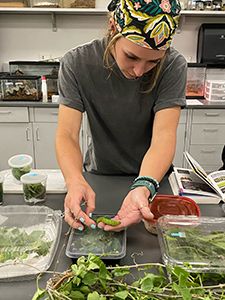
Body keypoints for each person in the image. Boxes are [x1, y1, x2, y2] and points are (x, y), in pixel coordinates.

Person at [56, 0, 187, 232]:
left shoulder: (173, 66)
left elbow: (164, 136)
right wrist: (74, 180)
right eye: (132, 57)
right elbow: (67, 134)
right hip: (100, 175)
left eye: (153, 62)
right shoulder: (76, 63)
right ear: (112, 29)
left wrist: (144, 185)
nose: (139, 71)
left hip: (153, 178)